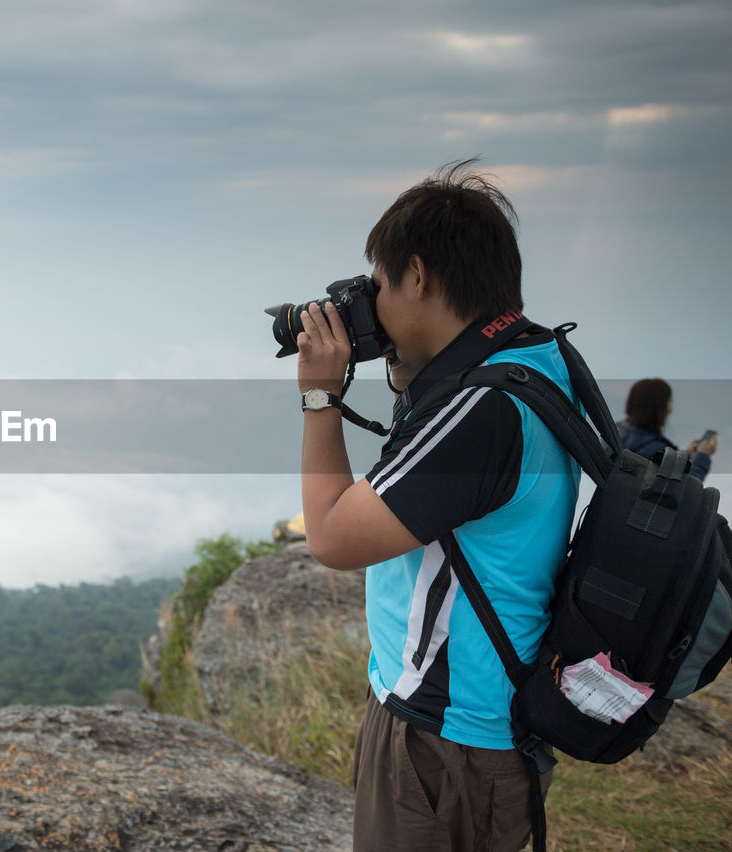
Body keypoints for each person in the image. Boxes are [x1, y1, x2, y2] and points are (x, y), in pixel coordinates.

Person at [293, 160, 579, 851]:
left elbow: (330, 538)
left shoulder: (480, 410)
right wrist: (410, 362)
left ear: (419, 276)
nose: (377, 302)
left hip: (442, 737)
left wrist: (320, 399)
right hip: (479, 724)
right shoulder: (536, 357)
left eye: (383, 284)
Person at [617, 378, 716, 481]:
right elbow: (685, 488)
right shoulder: (655, 449)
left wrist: (685, 455)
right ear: (661, 407)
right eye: (669, 401)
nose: (670, 409)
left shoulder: (616, 433)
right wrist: (702, 456)